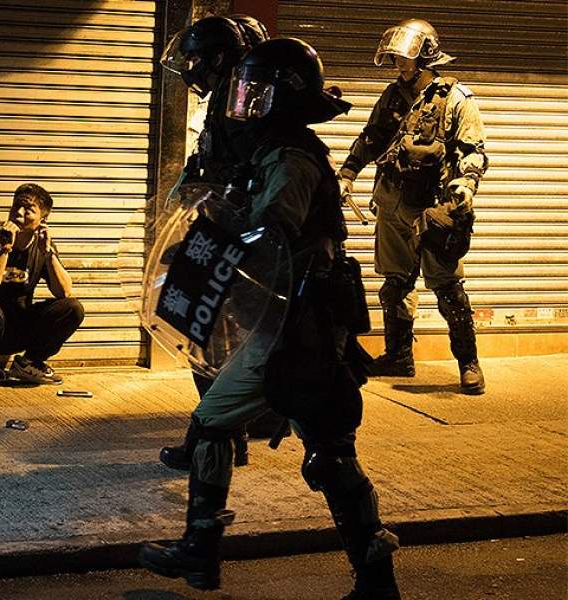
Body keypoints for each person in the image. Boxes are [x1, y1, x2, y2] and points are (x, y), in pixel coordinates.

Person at [138, 38, 401, 600]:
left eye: (256, 91)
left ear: (282, 96)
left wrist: (220, 234)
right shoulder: (268, 151)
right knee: (331, 456)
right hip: (294, 327)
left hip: (297, 330)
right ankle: (375, 583)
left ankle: (201, 549)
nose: (245, 100)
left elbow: (271, 236)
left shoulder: (290, 158)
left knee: (219, 425)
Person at [337, 19, 488, 394]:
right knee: (395, 284)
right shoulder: (391, 97)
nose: (399, 65)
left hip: (434, 208)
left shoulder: (456, 99)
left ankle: (468, 363)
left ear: (427, 56)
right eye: (395, 59)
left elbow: (472, 150)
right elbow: (370, 139)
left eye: (405, 58)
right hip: (392, 202)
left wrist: (466, 184)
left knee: (448, 288)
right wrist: (348, 174)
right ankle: (399, 356)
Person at [157, 14, 270, 472]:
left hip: (227, 236)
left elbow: (240, 174)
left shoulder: (238, 100)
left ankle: (215, 437)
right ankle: (226, 434)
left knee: (206, 335)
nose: (191, 69)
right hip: (219, 232)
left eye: (197, 60)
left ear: (218, 58)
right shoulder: (228, 96)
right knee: (212, 336)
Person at [0, 183, 84, 391]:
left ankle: (28, 363)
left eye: (28, 209)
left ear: (42, 220)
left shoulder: (41, 246)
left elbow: (64, 291)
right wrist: (5, 249)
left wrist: (49, 254)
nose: (18, 213)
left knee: (72, 308)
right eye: (16, 206)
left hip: (21, 327)